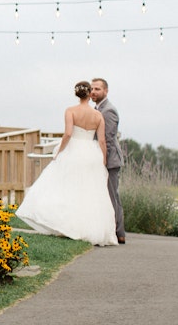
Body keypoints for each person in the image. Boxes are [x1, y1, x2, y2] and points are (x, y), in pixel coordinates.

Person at [16, 81, 118, 246]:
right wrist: (103, 159)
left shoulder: (70, 111)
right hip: (91, 154)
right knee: (89, 191)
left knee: (68, 188)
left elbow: (68, 134)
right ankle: (88, 228)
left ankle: (68, 226)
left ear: (77, 94)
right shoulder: (98, 115)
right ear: (89, 94)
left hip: (74, 151)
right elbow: (102, 141)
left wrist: (59, 151)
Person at [90, 77, 125, 244]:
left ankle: (119, 233)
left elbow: (108, 139)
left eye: (97, 89)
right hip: (103, 158)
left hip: (110, 160)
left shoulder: (108, 110)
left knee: (112, 197)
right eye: (92, 89)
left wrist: (103, 160)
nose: (93, 92)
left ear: (106, 91)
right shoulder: (97, 109)